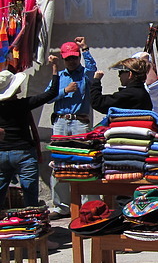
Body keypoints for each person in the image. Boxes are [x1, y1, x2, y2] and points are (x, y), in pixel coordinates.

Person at [0, 55, 60, 208]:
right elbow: (51, 93)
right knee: (30, 194)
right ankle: (31, 223)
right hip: (23, 153)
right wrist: (54, 68)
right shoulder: (23, 104)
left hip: (2, 153)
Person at [47, 37, 96, 219]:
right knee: (58, 163)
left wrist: (85, 48)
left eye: (74, 57)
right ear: (63, 58)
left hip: (79, 121)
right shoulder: (59, 77)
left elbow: (92, 69)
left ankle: (88, 205)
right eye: (68, 59)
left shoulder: (85, 74)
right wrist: (64, 91)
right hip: (60, 122)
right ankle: (61, 206)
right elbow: (48, 96)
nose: (72, 61)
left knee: (85, 161)